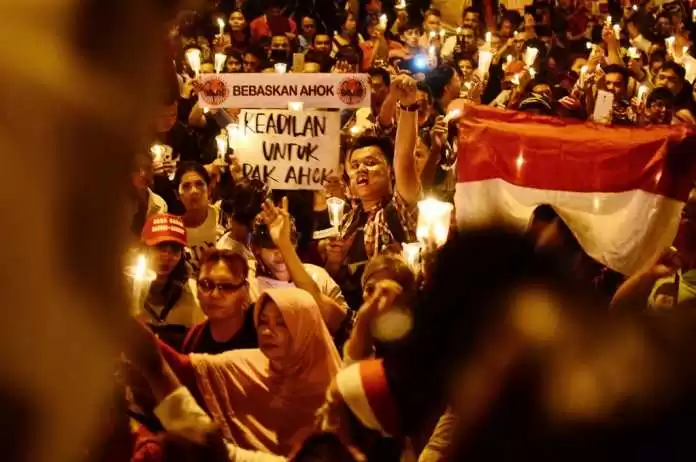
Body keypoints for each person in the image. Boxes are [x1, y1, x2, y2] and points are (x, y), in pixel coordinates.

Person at [160, 288, 342, 457]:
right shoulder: (247, 364)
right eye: (263, 322)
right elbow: (182, 367)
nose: (267, 331)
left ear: (306, 329)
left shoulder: (334, 392)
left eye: (281, 324)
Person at [325, 74, 421, 309]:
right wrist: (334, 262)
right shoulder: (347, 220)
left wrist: (408, 106)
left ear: (390, 172)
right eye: (355, 165)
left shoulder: (399, 209)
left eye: (370, 163)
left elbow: (404, 160)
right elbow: (335, 283)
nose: (361, 170)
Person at [253, 197, 349, 334]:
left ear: (295, 243)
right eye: (270, 247)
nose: (279, 253)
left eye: (286, 243)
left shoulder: (318, 276)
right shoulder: (252, 287)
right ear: (257, 249)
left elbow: (341, 323)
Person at [139, 213, 204, 350]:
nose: (166, 257)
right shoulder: (125, 290)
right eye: (160, 247)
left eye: (174, 249)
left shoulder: (192, 295)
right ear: (144, 249)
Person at [181, 247, 257, 354]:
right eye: (206, 285)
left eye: (226, 286)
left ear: (245, 290)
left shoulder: (262, 334)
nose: (215, 295)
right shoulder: (193, 340)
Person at [174, 162, 223, 275]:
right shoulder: (172, 229)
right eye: (186, 186)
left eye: (199, 184)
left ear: (209, 189)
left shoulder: (223, 216)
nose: (194, 191)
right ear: (177, 194)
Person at [130, 152, 168, 237]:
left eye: (147, 168)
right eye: (136, 169)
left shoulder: (160, 203)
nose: (143, 174)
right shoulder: (119, 205)